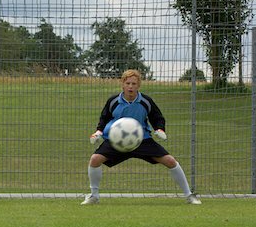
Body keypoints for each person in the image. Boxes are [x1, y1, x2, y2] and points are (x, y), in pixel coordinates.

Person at [82, 69, 202, 205]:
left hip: (142, 140)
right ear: (122, 84)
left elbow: (157, 117)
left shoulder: (146, 101)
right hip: (118, 142)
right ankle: (94, 196)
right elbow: (104, 119)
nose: (131, 86)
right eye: (128, 83)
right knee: (95, 159)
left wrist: (159, 129)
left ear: (139, 85)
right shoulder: (113, 101)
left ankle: (189, 195)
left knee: (170, 161)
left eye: (134, 83)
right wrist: (98, 132)